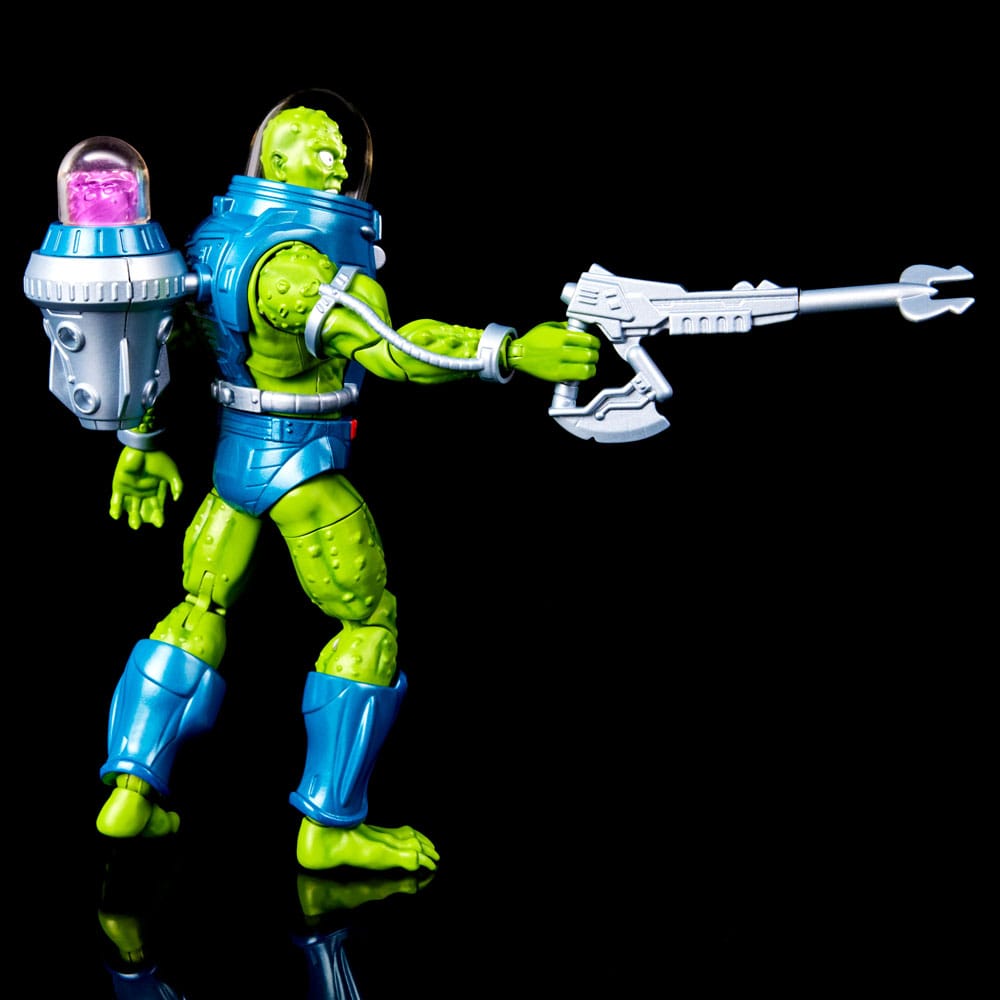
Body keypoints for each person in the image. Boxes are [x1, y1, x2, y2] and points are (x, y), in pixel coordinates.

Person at [93, 92, 600, 872]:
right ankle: (329, 827)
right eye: (317, 148)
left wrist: (142, 442)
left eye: (339, 150)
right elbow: (393, 349)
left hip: (234, 466)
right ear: (276, 156)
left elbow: (159, 337)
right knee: (369, 625)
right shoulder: (300, 261)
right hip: (304, 468)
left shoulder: (214, 237)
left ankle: (131, 790)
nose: (334, 163)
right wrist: (509, 351)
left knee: (200, 607)